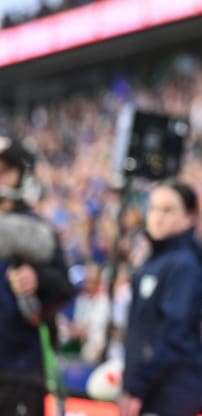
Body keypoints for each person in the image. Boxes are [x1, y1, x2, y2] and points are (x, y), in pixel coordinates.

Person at [119, 181, 202, 416]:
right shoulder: (153, 262)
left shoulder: (185, 265)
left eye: (168, 210)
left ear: (189, 217)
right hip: (149, 388)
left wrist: (137, 386)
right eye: (153, 209)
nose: (157, 217)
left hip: (169, 392)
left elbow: (174, 334)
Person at [0, 135, 75, 416]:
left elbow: (64, 288)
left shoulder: (38, 231)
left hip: (17, 368)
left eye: (5, 170)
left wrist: (38, 279)